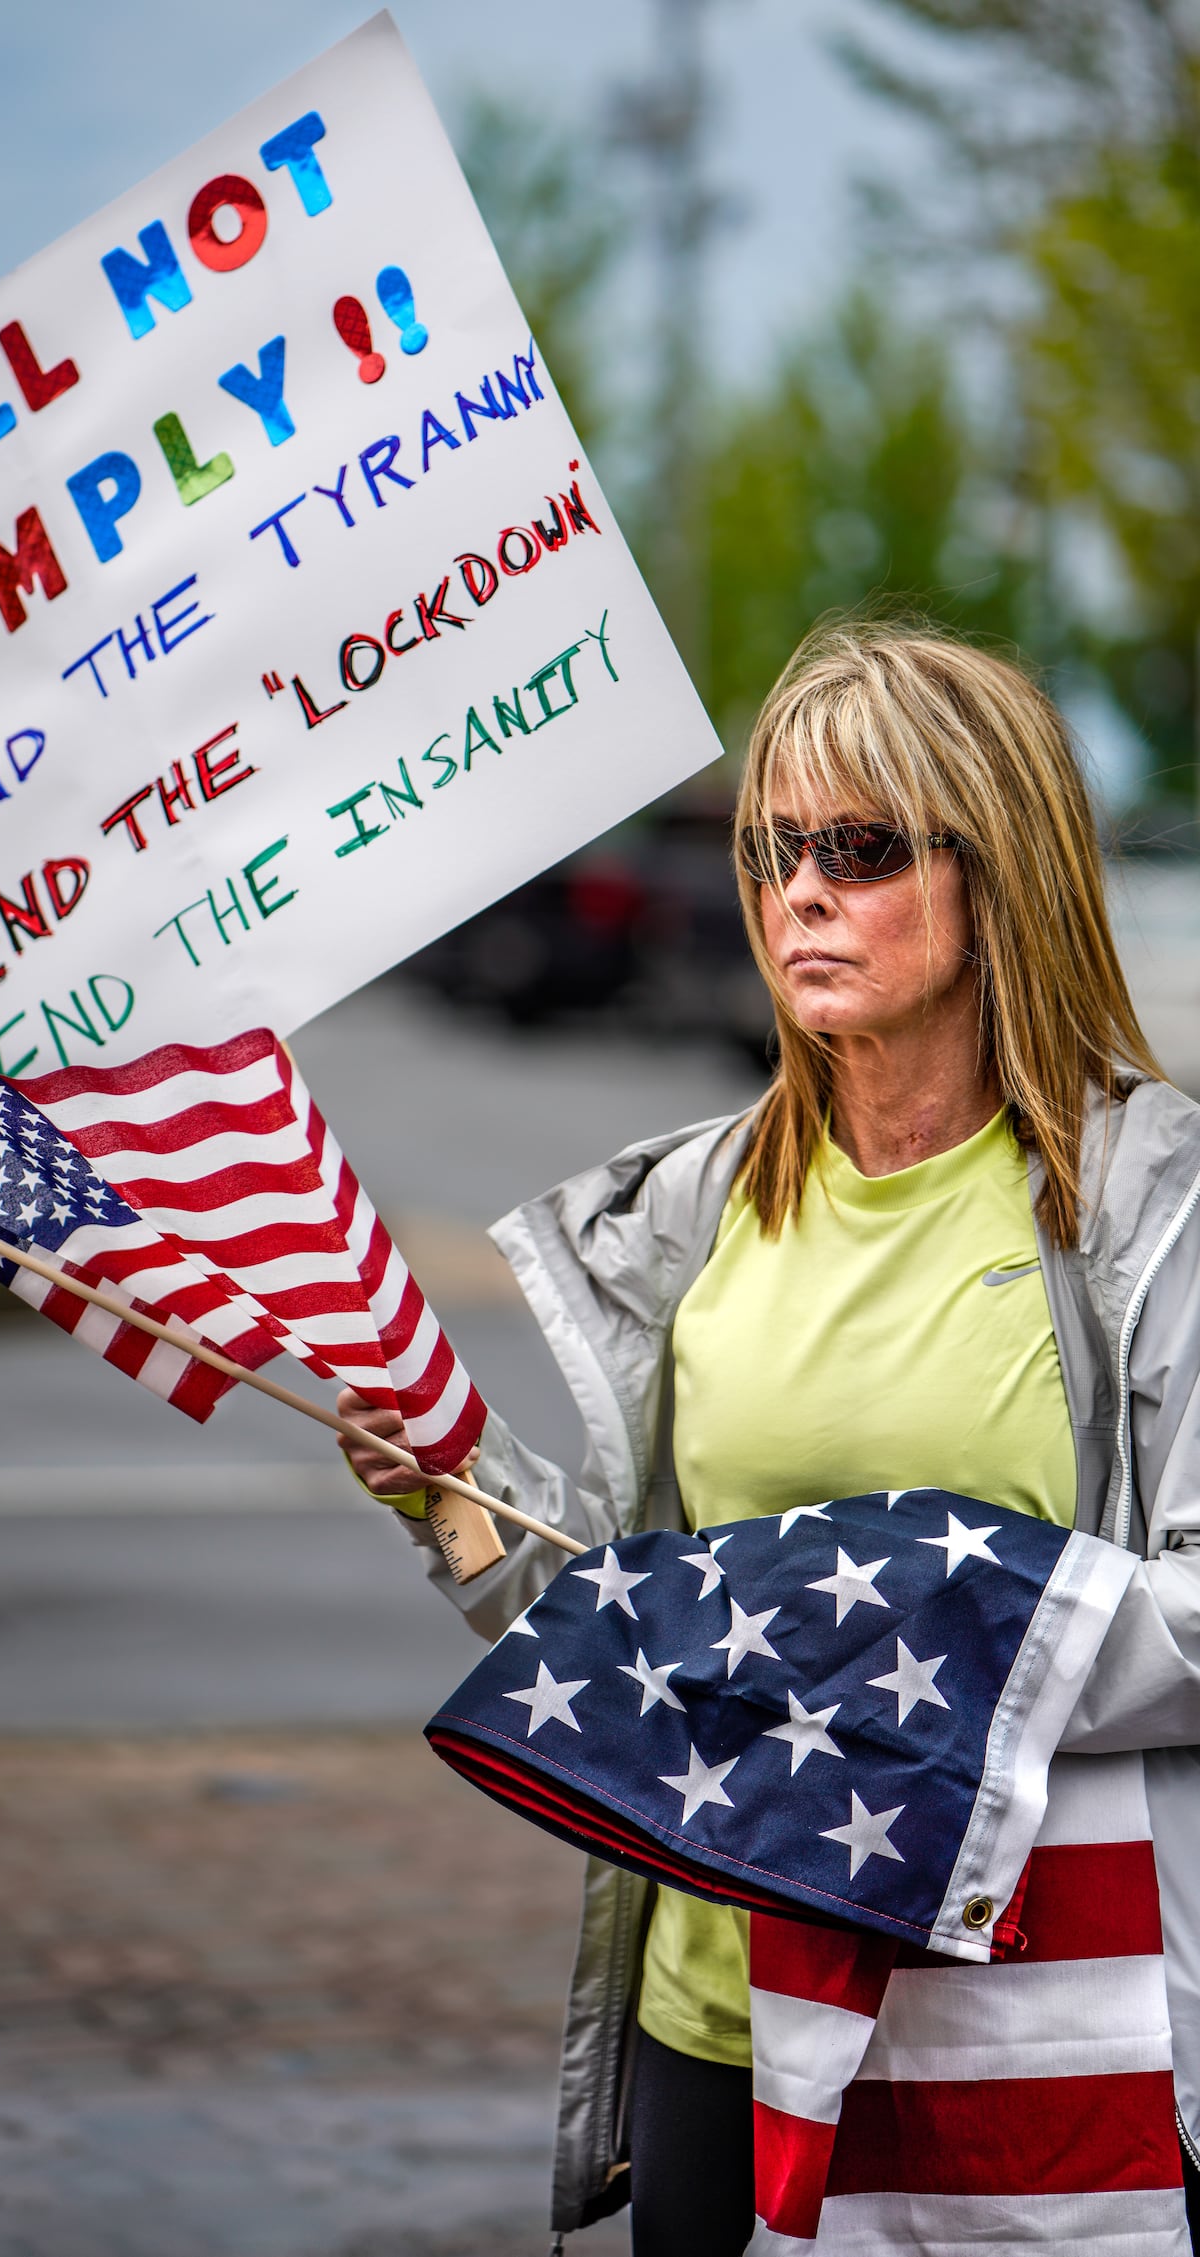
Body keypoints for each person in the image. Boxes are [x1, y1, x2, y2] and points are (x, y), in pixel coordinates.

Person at [337, 620, 1200, 2255]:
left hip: (1012, 2036)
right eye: (771, 846)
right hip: (711, 2022)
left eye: (860, 846)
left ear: (993, 865)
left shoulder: (1153, 1207)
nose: (799, 889)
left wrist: (903, 1610)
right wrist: (452, 1501)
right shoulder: (691, 1213)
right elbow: (650, 1634)